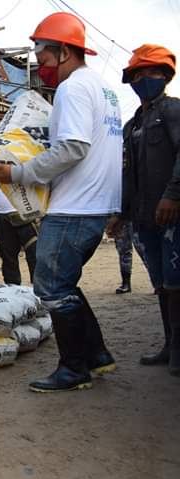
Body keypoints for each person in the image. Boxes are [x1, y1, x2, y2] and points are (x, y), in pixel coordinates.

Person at [0, 12, 122, 392]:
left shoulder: (74, 88)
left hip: (75, 207)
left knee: (49, 287)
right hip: (96, 204)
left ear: (64, 51)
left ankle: (74, 368)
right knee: (66, 284)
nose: (40, 66)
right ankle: (97, 357)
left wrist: (19, 173)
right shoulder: (103, 88)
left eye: (43, 56)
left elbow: (73, 147)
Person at [117, 44, 180, 374]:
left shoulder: (173, 111)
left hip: (174, 216)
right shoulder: (132, 125)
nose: (146, 78)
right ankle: (170, 346)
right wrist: (120, 212)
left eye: (153, 73)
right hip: (144, 219)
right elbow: (129, 174)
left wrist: (172, 195)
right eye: (140, 73)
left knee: (177, 283)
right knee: (161, 285)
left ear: (166, 76)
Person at [0, 164, 37, 285]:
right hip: (1, 214)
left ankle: (40, 289)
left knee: (35, 252)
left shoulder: (22, 155)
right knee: (7, 254)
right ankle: (12, 288)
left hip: (26, 213)